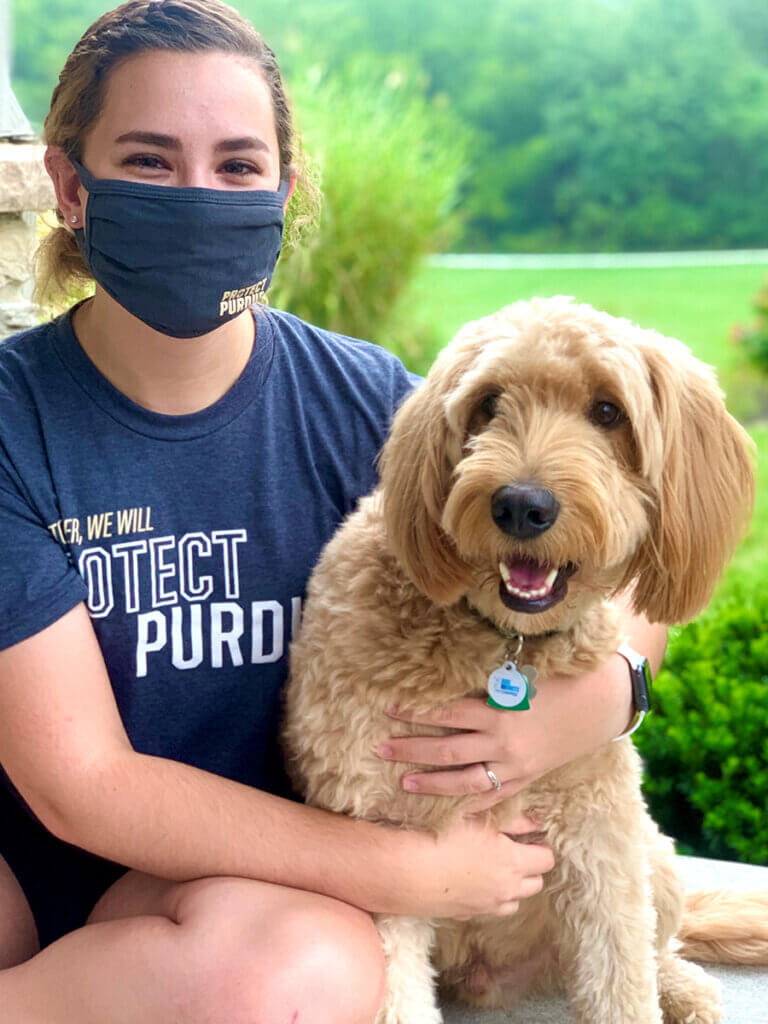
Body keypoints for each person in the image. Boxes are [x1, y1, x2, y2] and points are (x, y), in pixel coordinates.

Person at [0, 1, 667, 1021]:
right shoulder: (16, 420)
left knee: (304, 962)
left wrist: (603, 695)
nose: (197, 193)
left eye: (235, 164)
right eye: (148, 158)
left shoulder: (372, 403)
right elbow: (78, 781)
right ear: (69, 185)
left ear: (285, 189)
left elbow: (620, 548)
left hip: (251, 891)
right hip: (42, 870)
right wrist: (406, 873)